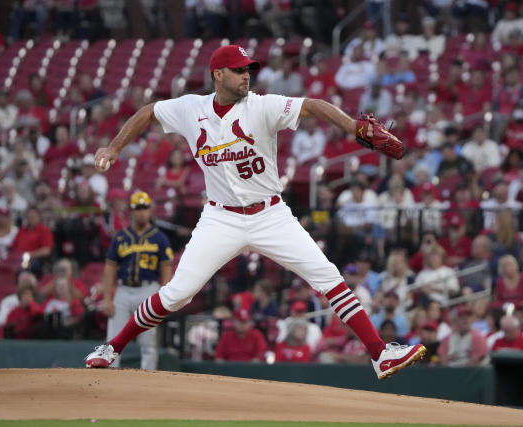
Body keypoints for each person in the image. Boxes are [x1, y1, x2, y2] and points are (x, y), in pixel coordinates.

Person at [85, 45, 425, 379]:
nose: (246, 75)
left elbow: (314, 106)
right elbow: (147, 112)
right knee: (178, 292)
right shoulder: (191, 108)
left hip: (270, 215)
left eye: (248, 69)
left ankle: (380, 354)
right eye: (238, 70)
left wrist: (353, 127)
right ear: (218, 75)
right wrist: (113, 147)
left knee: (328, 276)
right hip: (221, 217)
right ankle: (112, 347)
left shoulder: (263, 106)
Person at [95, 191, 174, 370]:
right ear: (130, 211)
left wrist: (164, 298)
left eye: (144, 207)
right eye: (137, 208)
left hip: (148, 289)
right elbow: (110, 270)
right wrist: (107, 299)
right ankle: (110, 377)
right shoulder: (121, 237)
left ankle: (148, 379)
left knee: (148, 342)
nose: (141, 212)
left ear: (150, 210)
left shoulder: (159, 238)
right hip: (123, 290)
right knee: (113, 339)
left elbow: (166, 269)